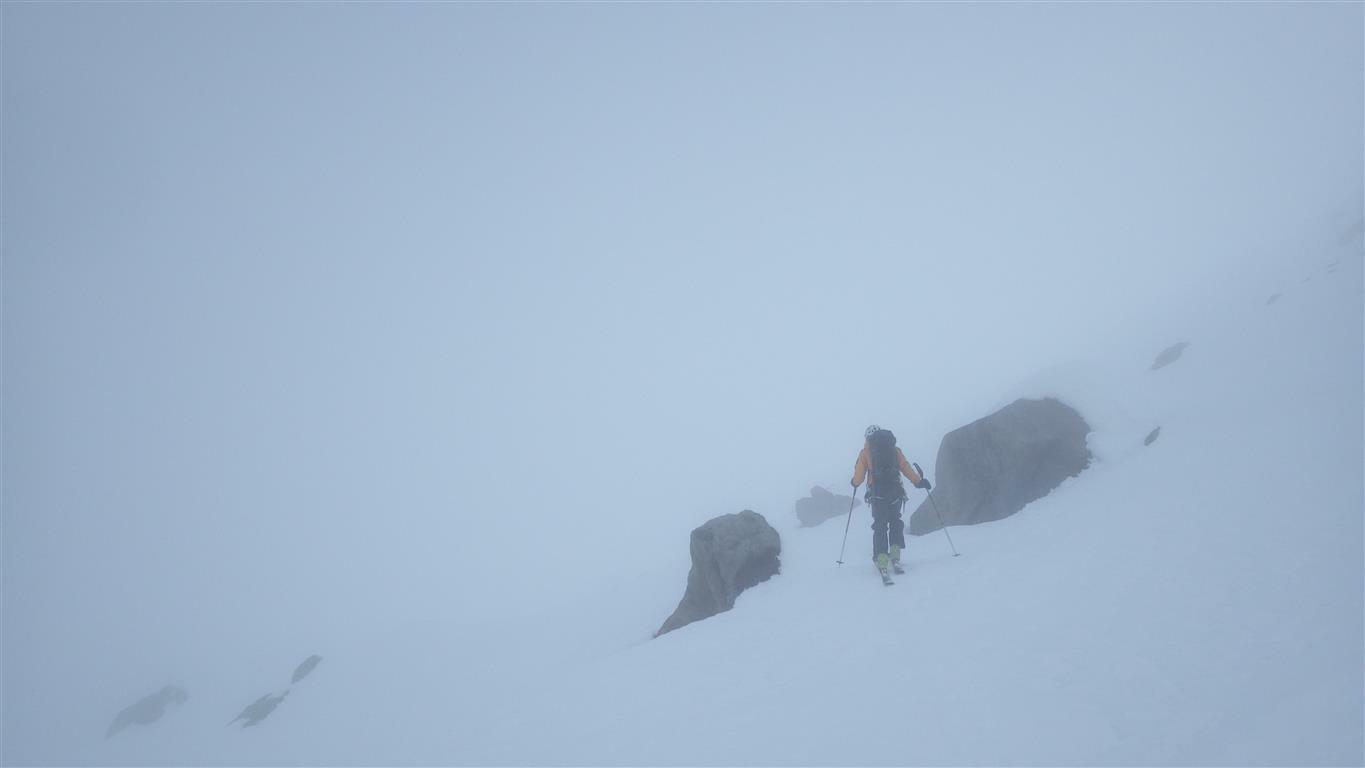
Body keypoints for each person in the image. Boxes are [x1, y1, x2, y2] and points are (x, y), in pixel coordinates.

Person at [851, 425, 930, 581]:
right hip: (895, 492)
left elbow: (859, 477)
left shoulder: (865, 452)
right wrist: (918, 481)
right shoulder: (894, 450)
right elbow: (906, 467)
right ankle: (895, 556)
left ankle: (881, 559)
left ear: (867, 438)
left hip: (878, 495)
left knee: (880, 526)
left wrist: (854, 483)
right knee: (895, 522)